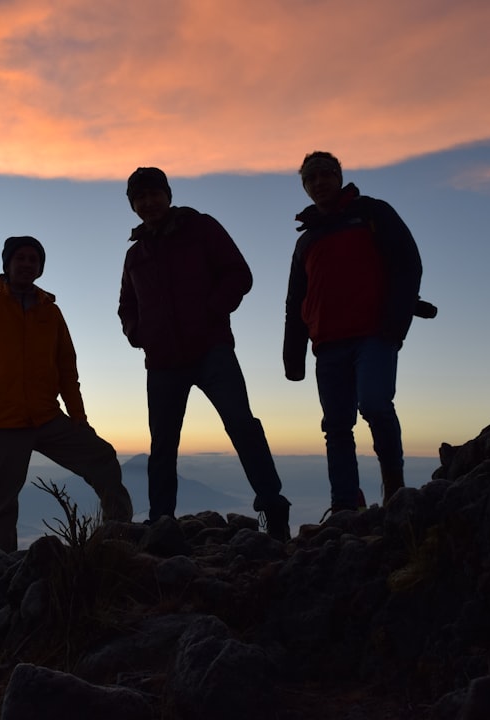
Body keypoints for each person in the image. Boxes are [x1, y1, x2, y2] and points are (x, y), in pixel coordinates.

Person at [118, 167, 293, 541]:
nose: (148, 203)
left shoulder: (201, 228)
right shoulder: (135, 255)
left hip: (211, 350)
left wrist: (211, 312)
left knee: (241, 425)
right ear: (133, 206)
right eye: (139, 198)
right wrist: (139, 334)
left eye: (153, 194)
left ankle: (273, 509)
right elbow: (126, 305)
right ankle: (162, 522)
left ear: (167, 194)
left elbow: (238, 274)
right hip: (163, 361)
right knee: (163, 444)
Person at [0, 235, 134, 552]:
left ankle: (118, 539)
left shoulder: (51, 313)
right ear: (7, 264)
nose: (26, 264)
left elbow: (67, 369)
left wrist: (78, 416)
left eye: (33, 260)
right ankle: (2, 569)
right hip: (2, 422)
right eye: (19, 258)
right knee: (1, 502)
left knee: (102, 458)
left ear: (40, 268)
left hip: (47, 418)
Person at [283, 151, 431, 516]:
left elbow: (408, 264)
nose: (318, 183)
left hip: (373, 333)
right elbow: (295, 300)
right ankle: (345, 506)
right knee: (336, 426)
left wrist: (396, 324)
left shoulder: (372, 213)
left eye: (324, 175)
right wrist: (293, 355)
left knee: (376, 406)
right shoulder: (306, 240)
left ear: (339, 176)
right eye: (310, 179)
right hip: (327, 343)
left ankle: (395, 490)